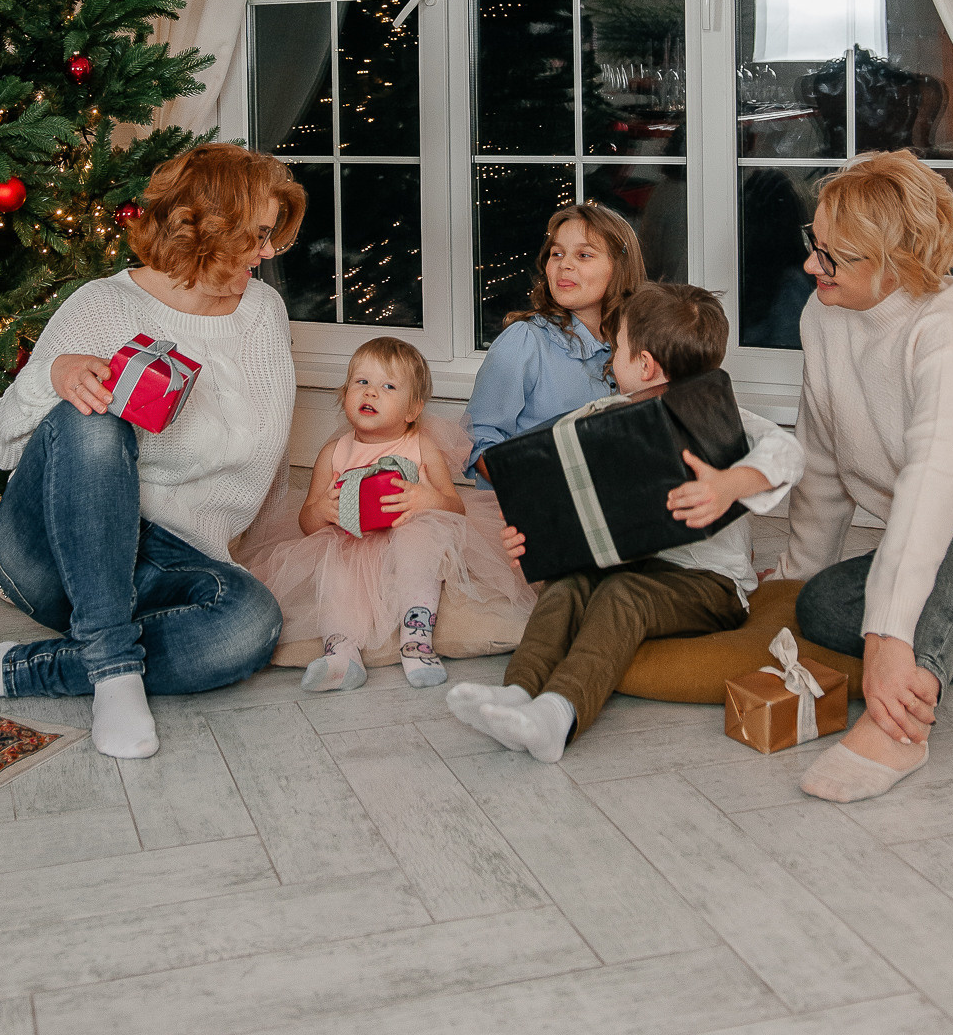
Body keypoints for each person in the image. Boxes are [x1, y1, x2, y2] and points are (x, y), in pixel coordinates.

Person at [0, 144, 305, 760]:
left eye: (271, 236)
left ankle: (9, 671)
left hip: (164, 564)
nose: (267, 252)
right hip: (55, 552)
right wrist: (56, 373)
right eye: (256, 235)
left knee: (250, 623)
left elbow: (244, 477)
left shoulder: (261, 315)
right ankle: (115, 674)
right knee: (91, 419)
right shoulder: (104, 305)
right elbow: (6, 439)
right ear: (205, 228)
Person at [448, 281, 803, 761]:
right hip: (628, 564)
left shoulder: (727, 419)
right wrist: (533, 538)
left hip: (711, 586)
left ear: (644, 365)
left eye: (616, 349)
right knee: (569, 580)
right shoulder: (601, 418)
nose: (610, 358)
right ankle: (519, 691)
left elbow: (788, 452)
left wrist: (728, 485)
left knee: (620, 594)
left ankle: (560, 713)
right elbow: (561, 497)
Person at [774, 149, 953, 803]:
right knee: (824, 605)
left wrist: (890, 645)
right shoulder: (823, 316)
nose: (812, 265)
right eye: (815, 243)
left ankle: (900, 727)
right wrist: (801, 569)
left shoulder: (949, 336)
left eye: (833, 256)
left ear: (896, 264)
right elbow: (823, 462)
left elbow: (937, 485)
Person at [242, 337, 531, 690]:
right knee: (334, 569)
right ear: (345, 393)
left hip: (408, 534)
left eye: (388, 386)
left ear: (412, 410)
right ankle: (341, 652)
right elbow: (307, 522)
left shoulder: (420, 445)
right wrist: (322, 510)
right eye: (361, 382)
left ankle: (416, 638)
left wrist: (426, 499)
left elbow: (454, 506)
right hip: (351, 542)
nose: (371, 392)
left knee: (420, 543)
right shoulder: (333, 453)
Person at [466, 202, 645, 485]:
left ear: (619, 268)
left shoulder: (634, 346)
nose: (565, 264)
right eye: (556, 253)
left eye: (584, 255)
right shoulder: (524, 341)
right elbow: (479, 440)